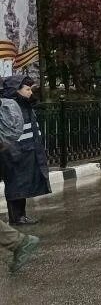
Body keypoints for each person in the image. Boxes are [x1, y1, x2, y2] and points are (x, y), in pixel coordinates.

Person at [0, 76, 50, 228]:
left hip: (26, 150)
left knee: (22, 184)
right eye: (27, 89)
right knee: (16, 184)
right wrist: (13, 152)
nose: (30, 92)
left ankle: (20, 215)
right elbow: (8, 133)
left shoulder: (24, 105)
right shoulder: (11, 107)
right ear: (17, 91)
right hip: (15, 152)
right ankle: (17, 217)